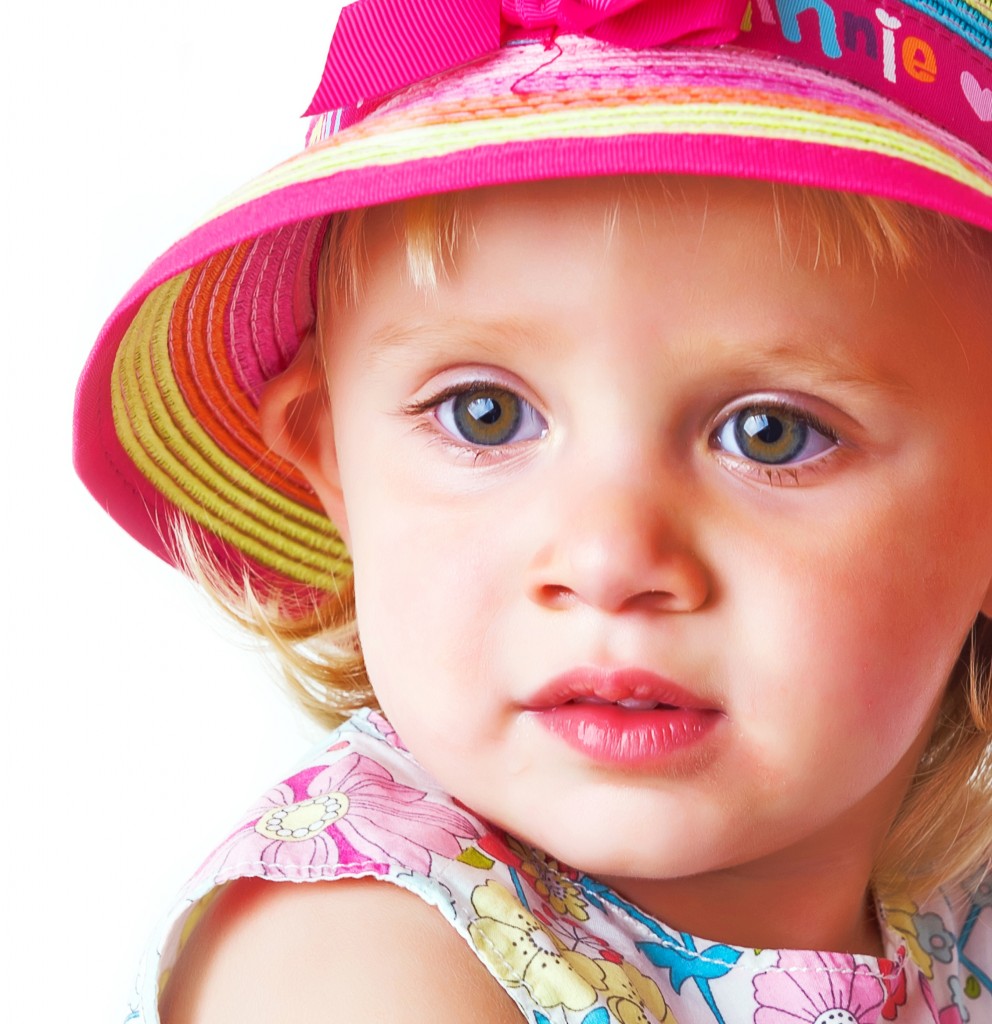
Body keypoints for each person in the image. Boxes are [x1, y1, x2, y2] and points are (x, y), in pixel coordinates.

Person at [73, 1, 992, 1021]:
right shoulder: (349, 958)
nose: (606, 557)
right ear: (331, 463)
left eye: (768, 432)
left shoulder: (953, 913)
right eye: (485, 414)